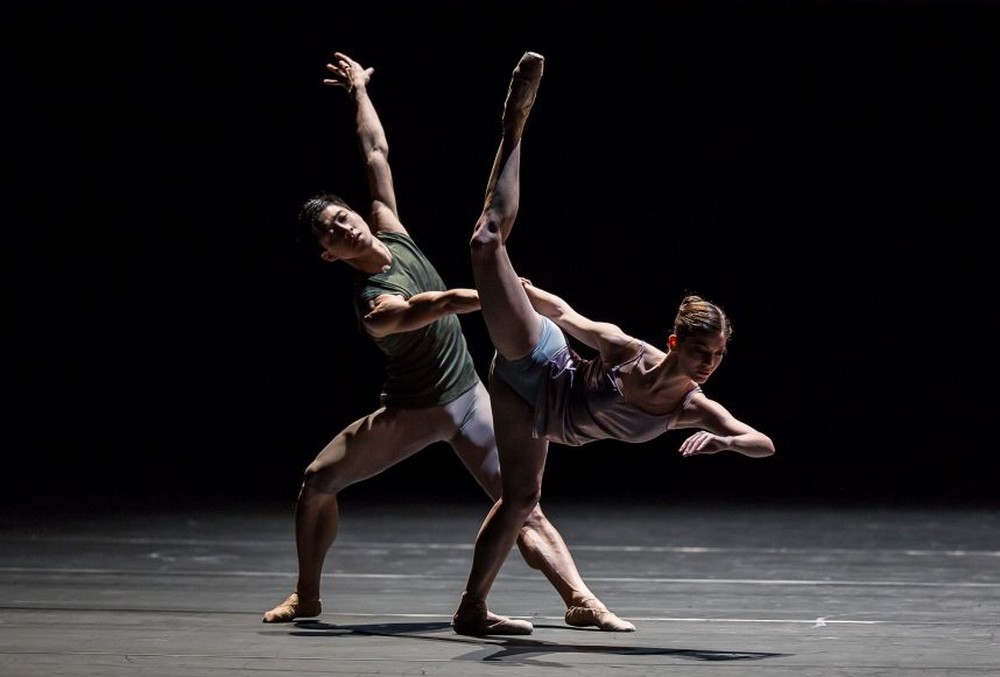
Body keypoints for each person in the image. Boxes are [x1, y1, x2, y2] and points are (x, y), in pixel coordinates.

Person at [262, 51, 635, 635]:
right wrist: (496, 295)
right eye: (331, 231)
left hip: (467, 397)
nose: (344, 226)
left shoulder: (390, 226)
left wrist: (359, 90)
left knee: (522, 502)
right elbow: (427, 307)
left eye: (342, 216)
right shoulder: (373, 304)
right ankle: (306, 595)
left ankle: (581, 599)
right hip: (413, 410)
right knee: (316, 483)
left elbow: (375, 151)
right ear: (329, 254)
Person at [450, 50, 776, 636]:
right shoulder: (626, 351)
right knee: (485, 242)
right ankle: (514, 127)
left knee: (521, 500)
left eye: (717, 356)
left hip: (532, 409)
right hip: (538, 362)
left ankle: (471, 609)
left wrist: (726, 443)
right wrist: (522, 293)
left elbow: (763, 443)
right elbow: (565, 315)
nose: (708, 365)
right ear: (674, 342)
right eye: (699, 352)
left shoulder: (690, 407)